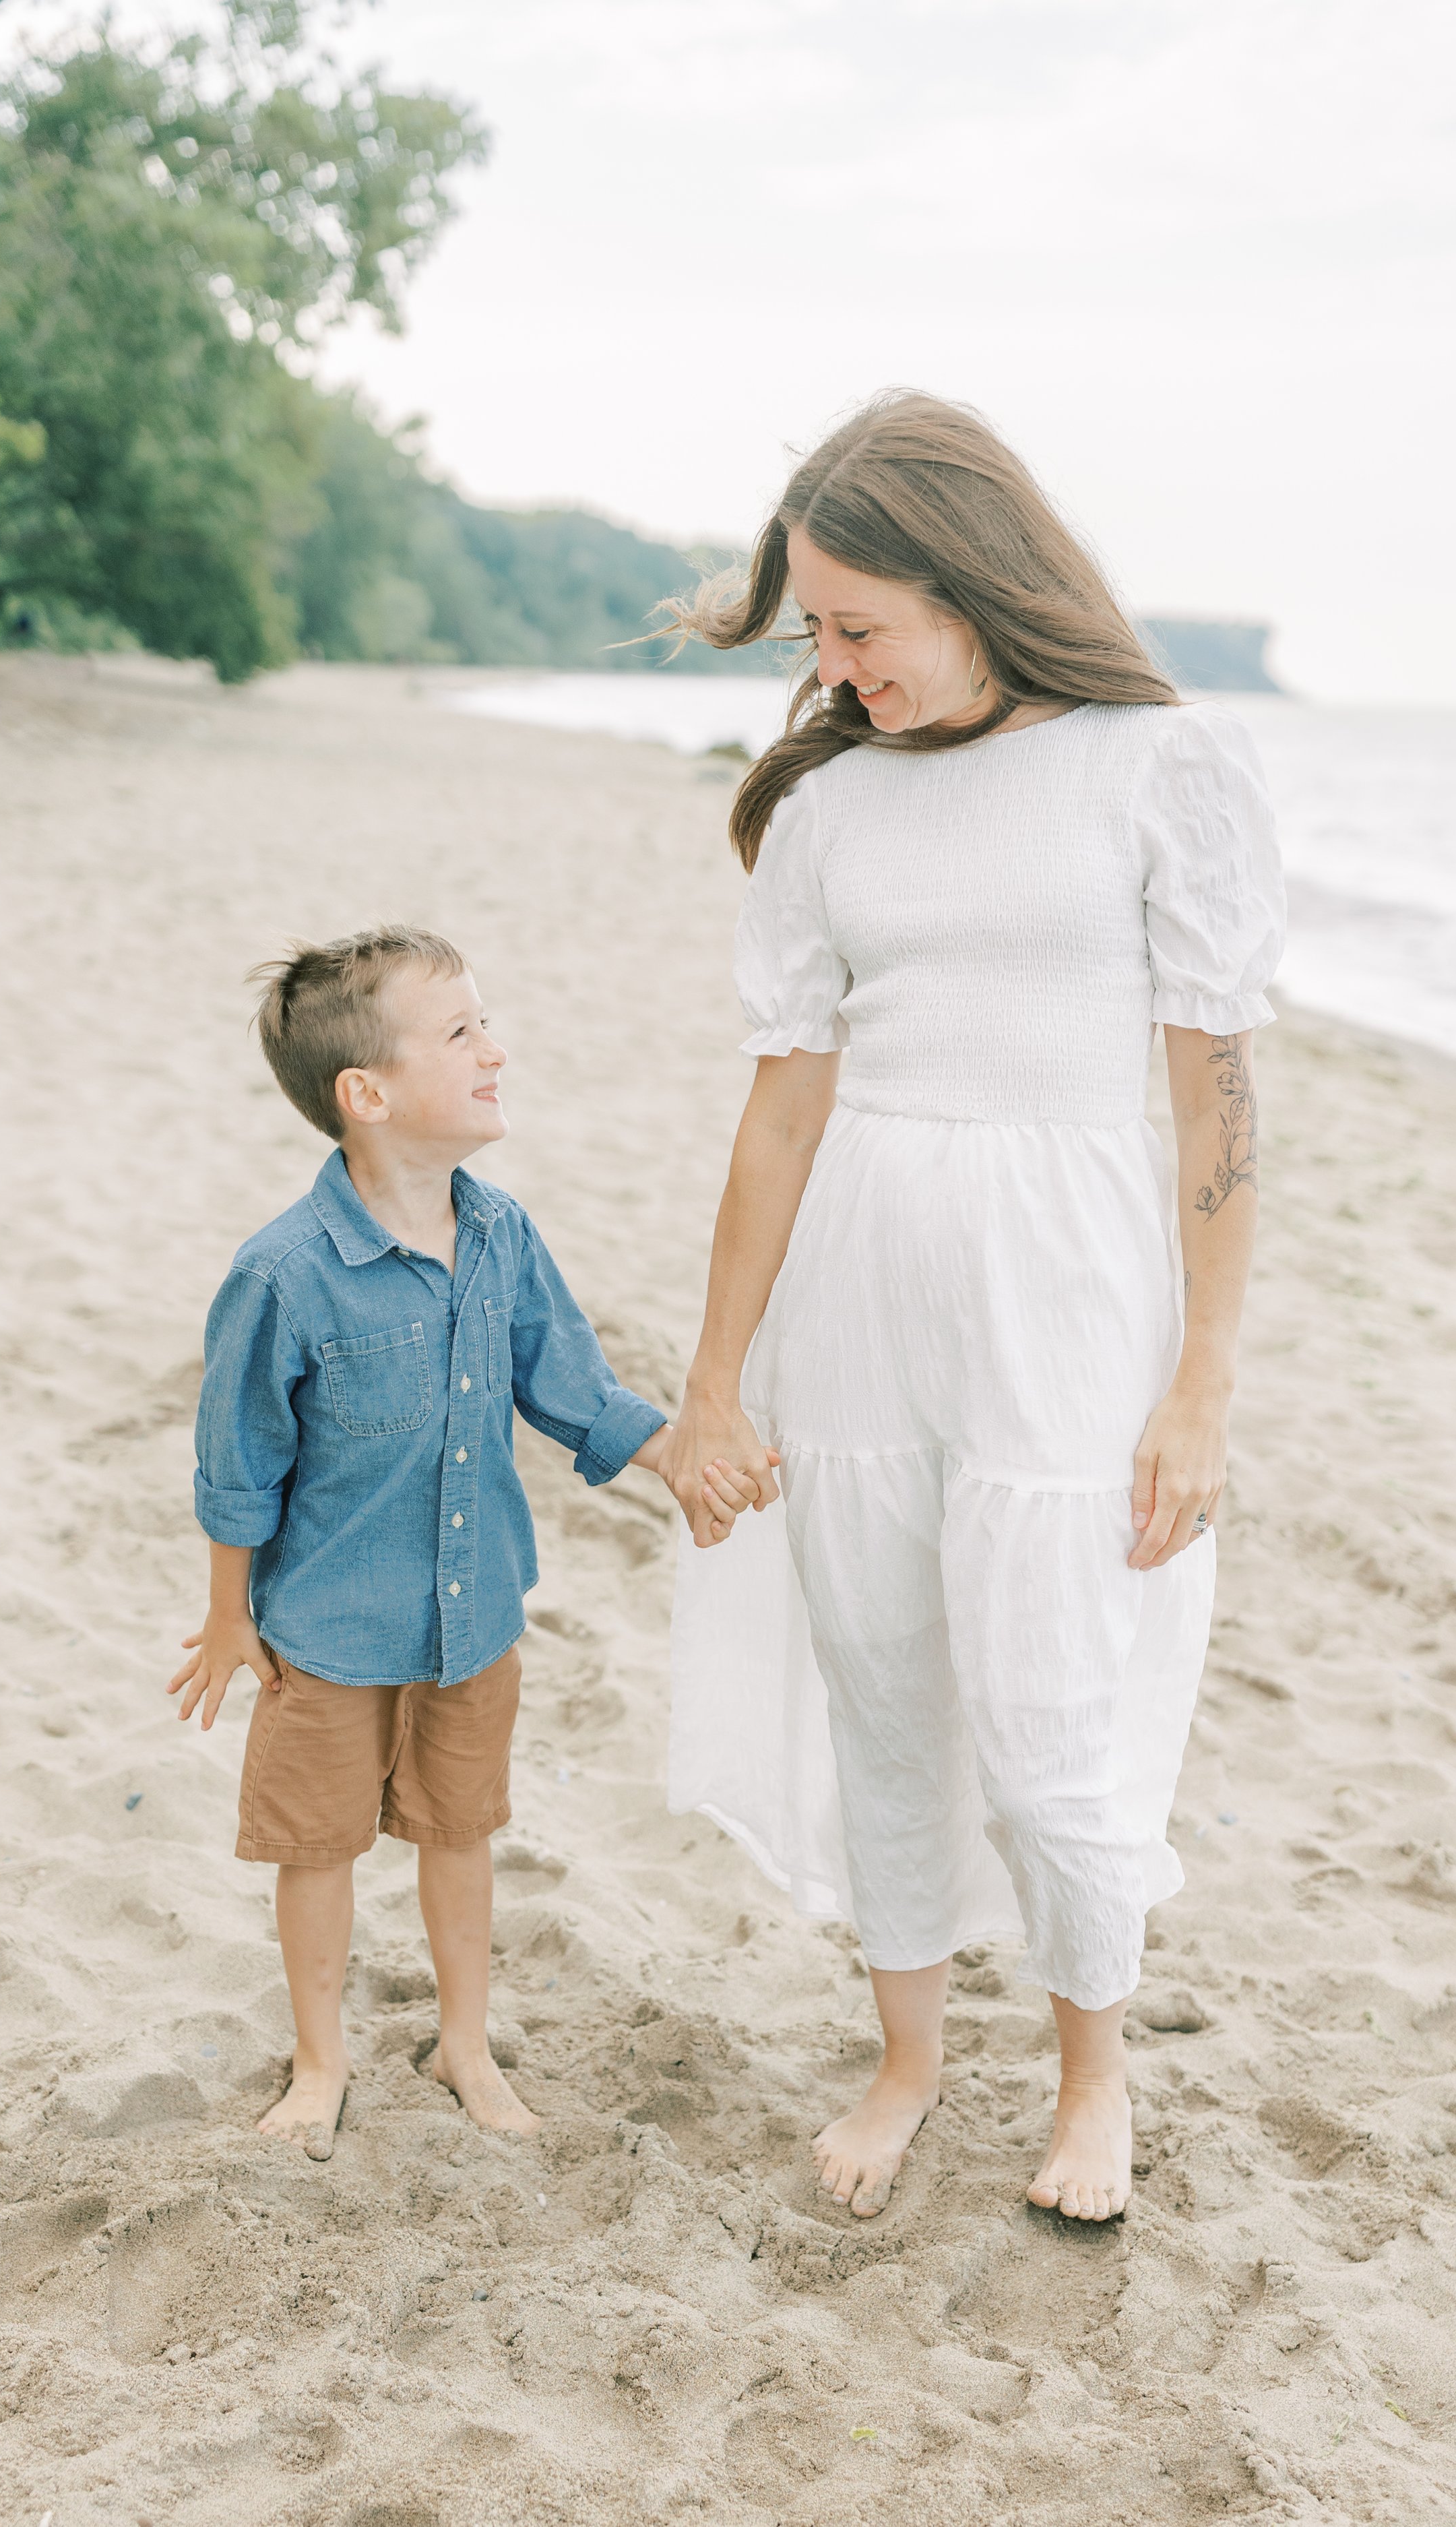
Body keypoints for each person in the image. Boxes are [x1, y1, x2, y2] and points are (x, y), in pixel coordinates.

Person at [664, 394, 1284, 2223]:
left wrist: (1202, 1382)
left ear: (977, 582)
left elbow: (1216, 1104)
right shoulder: (830, 812)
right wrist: (713, 1383)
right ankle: (910, 2054)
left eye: (863, 627)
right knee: (883, 1685)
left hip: (1075, 1301)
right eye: (813, 635)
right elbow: (779, 1113)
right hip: (862, 1293)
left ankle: (1092, 2078)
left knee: (1058, 1703)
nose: (837, 667)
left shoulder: (1157, 767)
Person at [169, 926, 754, 2156]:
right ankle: (321, 2059)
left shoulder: (501, 1236)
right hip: (325, 1626)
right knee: (317, 1846)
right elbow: (237, 1465)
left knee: (459, 1828)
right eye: (462, 1033)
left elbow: (573, 1386)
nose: (498, 1050)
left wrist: (675, 1462)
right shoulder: (284, 1274)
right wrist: (230, 1614)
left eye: (487, 1023)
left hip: (475, 1610)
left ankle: (463, 2041)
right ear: (367, 1095)